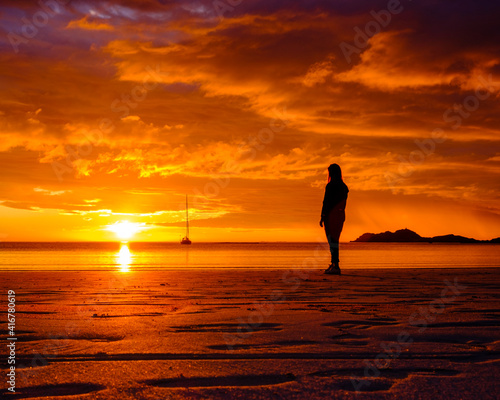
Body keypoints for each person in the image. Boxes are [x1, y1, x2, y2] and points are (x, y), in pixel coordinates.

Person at [320, 164, 349, 275]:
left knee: (332, 241)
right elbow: (343, 203)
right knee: (335, 240)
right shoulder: (344, 186)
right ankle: (334, 264)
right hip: (340, 215)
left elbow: (326, 202)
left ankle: (335, 265)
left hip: (330, 215)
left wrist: (322, 216)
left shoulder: (330, 186)